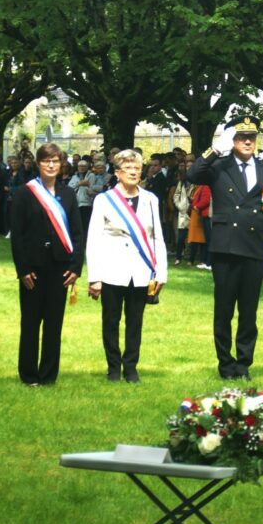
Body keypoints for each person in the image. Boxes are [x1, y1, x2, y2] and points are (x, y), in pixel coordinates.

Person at [187, 116, 263, 380]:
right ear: (233, 140)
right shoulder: (219, 166)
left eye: (251, 137)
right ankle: (225, 363)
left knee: (248, 312)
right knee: (224, 310)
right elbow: (192, 173)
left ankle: (243, 364)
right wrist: (215, 149)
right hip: (226, 248)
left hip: (253, 247)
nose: (248, 142)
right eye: (242, 137)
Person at [86, 150, 167, 382]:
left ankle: (131, 367)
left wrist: (161, 271)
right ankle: (113, 367)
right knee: (110, 321)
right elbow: (94, 240)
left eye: (137, 169)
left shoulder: (151, 199)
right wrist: (95, 277)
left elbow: (157, 237)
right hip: (112, 271)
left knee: (135, 322)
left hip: (141, 271)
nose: (133, 172)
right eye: (128, 168)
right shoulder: (104, 200)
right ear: (118, 172)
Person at [10, 143, 84, 386]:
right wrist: (22, 270)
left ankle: (48, 375)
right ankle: (29, 374)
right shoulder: (24, 193)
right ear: (39, 164)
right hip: (33, 268)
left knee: (54, 324)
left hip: (59, 268)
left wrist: (75, 268)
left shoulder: (69, 194)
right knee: (30, 323)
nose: (51, 165)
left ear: (61, 164)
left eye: (55, 161)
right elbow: (18, 235)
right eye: (46, 161)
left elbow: (77, 234)